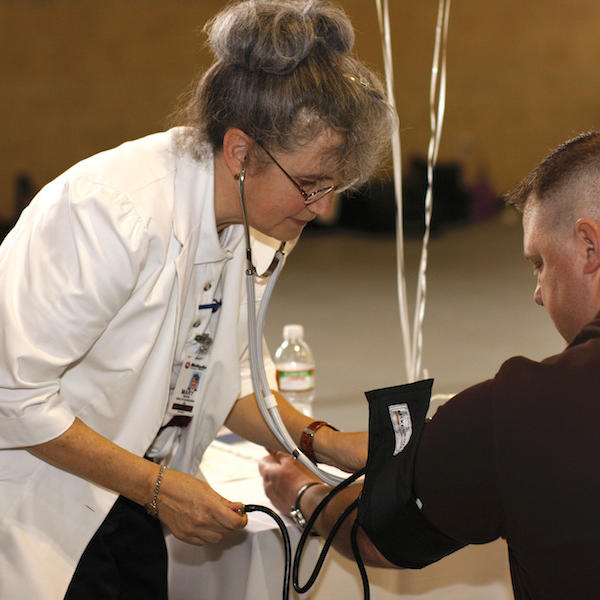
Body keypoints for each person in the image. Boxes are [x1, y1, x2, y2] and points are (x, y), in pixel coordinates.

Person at [0, 1, 395, 598]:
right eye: (309, 184)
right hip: (39, 501)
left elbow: (226, 377)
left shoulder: (241, 222)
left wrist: (324, 440)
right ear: (239, 153)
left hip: (129, 501)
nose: (323, 208)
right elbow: (13, 394)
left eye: (333, 186)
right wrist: (157, 487)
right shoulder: (110, 212)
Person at [259, 131, 600, 600]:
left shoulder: (523, 409)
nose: (538, 293)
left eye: (539, 262)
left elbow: (377, 534)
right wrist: (326, 441)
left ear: (589, 246)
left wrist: (301, 492)